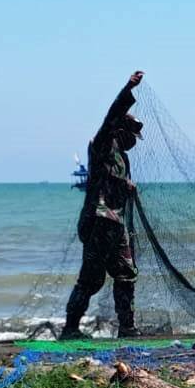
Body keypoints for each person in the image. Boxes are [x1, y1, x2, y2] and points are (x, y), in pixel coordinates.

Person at [60, 70, 146, 340]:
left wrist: (126, 186)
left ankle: (127, 327)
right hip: (99, 220)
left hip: (116, 223)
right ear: (120, 130)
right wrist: (128, 88)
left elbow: (118, 183)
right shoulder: (102, 145)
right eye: (130, 135)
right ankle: (71, 328)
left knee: (126, 273)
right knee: (90, 279)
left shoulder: (122, 157)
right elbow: (111, 116)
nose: (133, 141)